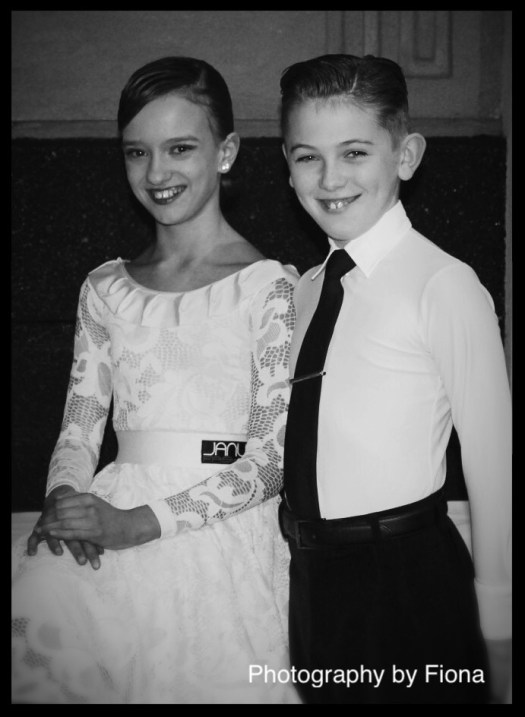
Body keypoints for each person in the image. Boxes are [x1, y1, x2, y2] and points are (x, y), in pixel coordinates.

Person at [11, 56, 301, 705]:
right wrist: (65, 501)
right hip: (106, 519)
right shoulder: (104, 287)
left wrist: (139, 524)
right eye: (136, 152)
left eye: (180, 148)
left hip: (220, 532)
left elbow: (270, 461)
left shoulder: (270, 289)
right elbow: (79, 428)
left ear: (226, 152)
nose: (156, 172)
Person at [278, 54, 511, 704]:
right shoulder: (304, 290)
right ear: (287, 167)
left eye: (354, 153)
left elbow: (495, 466)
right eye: (307, 157)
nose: (330, 178)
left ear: (405, 155)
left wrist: (500, 627)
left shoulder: (443, 284)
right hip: (313, 581)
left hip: (406, 580)